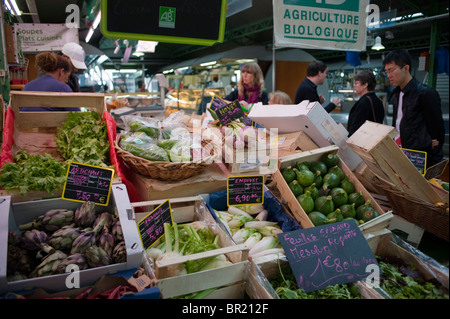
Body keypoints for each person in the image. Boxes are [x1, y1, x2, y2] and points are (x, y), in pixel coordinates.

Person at [383, 49, 445, 168]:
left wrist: (427, 146)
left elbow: (437, 132)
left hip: (420, 158)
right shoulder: (396, 93)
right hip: (401, 153)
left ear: (406, 68)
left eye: (391, 70)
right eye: (386, 71)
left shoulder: (425, 94)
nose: (388, 75)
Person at [346, 70, 385, 137]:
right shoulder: (378, 101)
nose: (354, 85)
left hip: (362, 142)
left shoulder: (364, 102)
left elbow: (356, 127)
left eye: (357, 83)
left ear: (365, 85)